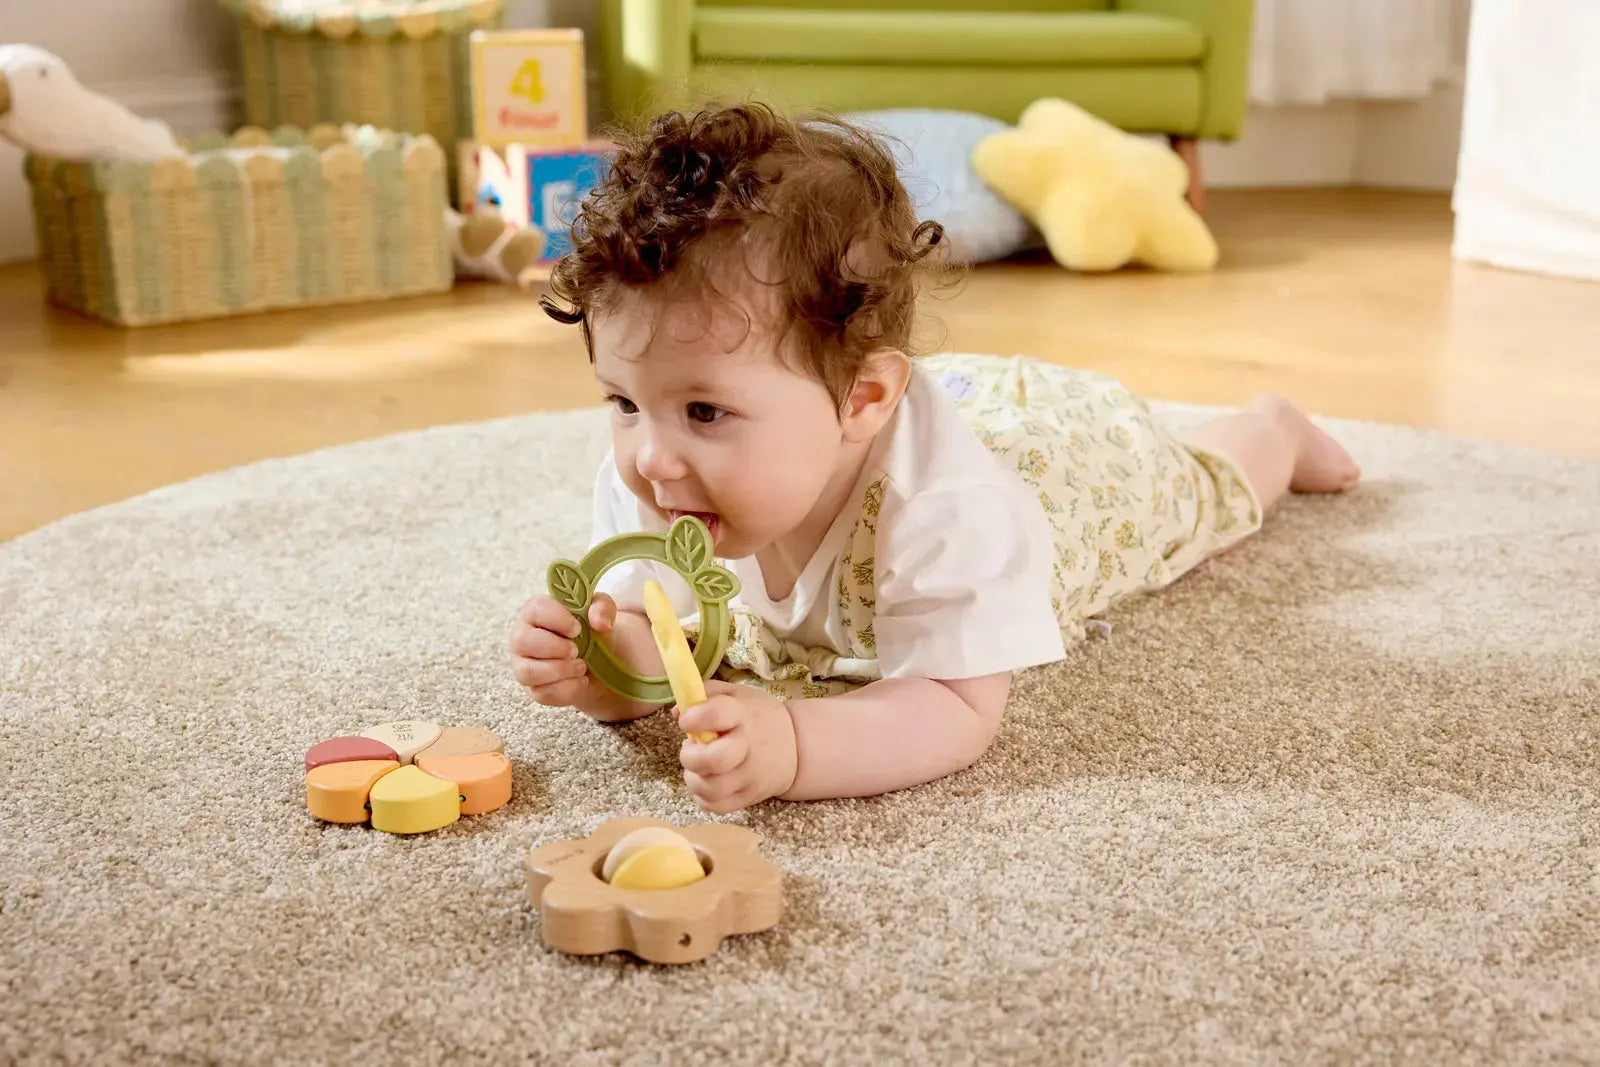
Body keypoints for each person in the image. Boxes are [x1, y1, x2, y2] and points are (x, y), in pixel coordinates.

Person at [509, 103, 1361, 814]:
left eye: (704, 410)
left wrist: (794, 743)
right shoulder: (662, 473)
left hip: (1070, 468)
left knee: (1201, 491)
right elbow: (674, 642)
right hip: (902, 403)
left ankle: (1273, 426)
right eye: (622, 402)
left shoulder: (945, 513)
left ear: (864, 402)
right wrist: (604, 671)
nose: (650, 456)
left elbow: (956, 706)